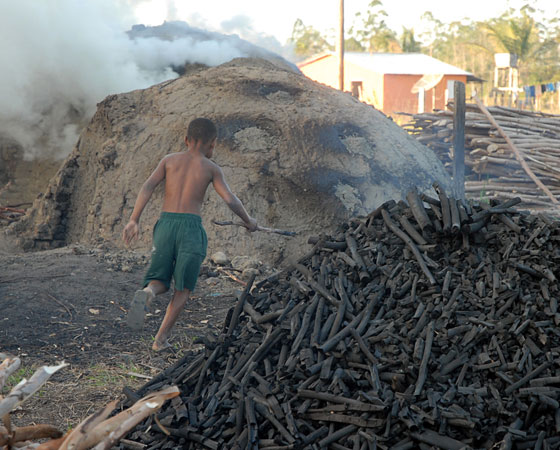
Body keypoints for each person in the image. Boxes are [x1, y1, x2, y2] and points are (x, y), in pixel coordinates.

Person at [122, 117, 257, 351]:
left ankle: (147, 293)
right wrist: (248, 221)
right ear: (213, 143)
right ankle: (160, 340)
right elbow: (230, 200)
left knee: (159, 280)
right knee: (182, 288)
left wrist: (134, 220)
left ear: (186, 140)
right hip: (191, 229)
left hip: (165, 225)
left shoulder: (169, 161)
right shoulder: (211, 168)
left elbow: (148, 186)